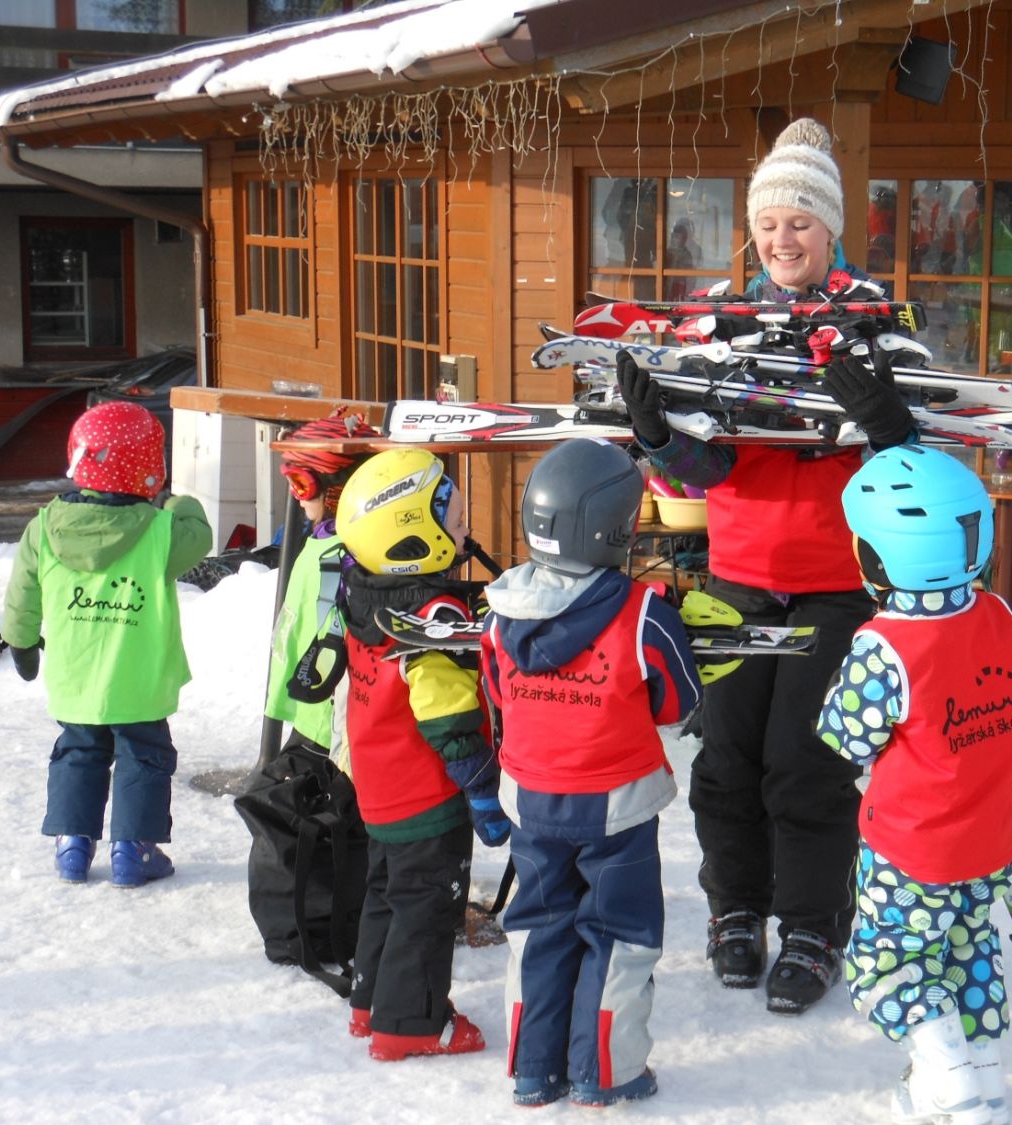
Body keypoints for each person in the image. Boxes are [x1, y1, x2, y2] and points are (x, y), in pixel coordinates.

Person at [615, 116, 919, 1016]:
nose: (784, 239)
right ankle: (737, 910)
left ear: (832, 229)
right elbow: (704, 469)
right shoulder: (721, 324)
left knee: (806, 761)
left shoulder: (877, 322)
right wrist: (657, 433)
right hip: (738, 578)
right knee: (726, 761)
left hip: (837, 585)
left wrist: (891, 427)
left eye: (801, 222)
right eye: (769, 223)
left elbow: (916, 469)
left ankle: (814, 924)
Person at [478, 438, 702, 1107]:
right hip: (616, 807)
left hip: (533, 800)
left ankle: (533, 1070)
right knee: (617, 933)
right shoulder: (642, 614)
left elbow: (496, 692)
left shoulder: (501, 612)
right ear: (618, 530)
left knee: (538, 929)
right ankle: (605, 1071)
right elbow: (677, 703)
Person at [816, 444, 1012, 1125]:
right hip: (990, 843)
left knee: (892, 961)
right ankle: (987, 1082)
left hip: (910, 851)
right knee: (968, 951)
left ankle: (950, 1085)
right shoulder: (1003, 616)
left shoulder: (884, 644)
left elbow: (846, 738)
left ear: (879, 558)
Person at [331, 448, 507, 1062]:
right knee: (427, 909)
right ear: (415, 538)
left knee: (387, 893)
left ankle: (370, 1002)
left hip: (380, 786)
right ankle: (411, 1025)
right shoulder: (431, 618)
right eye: (453, 520)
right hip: (427, 794)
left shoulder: (366, 593)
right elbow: (446, 713)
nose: (465, 527)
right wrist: (480, 787)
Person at [2, 401, 212, 887]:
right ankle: (134, 851)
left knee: (79, 751)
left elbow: (22, 591)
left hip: (75, 677)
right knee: (143, 755)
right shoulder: (161, 532)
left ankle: (72, 846)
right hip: (138, 680)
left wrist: (21, 640)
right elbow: (200, 535)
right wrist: (177, 501)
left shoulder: (44, 528)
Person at [266, 409, 380, 767]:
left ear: (337, 490)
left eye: (301, 484)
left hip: (328, 718)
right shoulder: (320, 539)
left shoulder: (349, 555)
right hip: (309, 702)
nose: (296, 498)